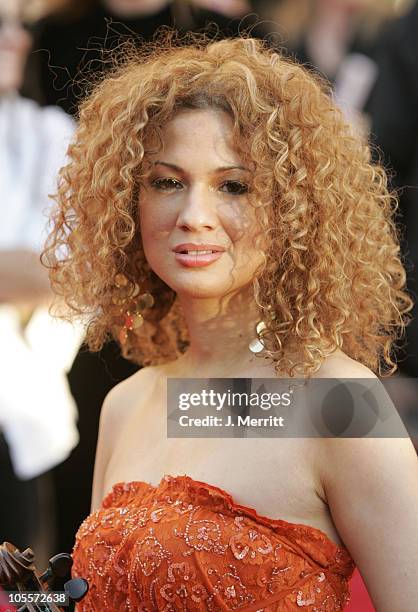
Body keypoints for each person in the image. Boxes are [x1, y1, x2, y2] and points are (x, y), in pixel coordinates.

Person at [43, 35, 418, 610]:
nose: (195, 217)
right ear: (127, 202)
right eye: (166, 182)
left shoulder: (339, 403)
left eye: (234, 186)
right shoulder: (128, 404)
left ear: (294, 207)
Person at [0, 0, 82, 555]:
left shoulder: (52, 133)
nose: (16, 40)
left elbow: (75, 269)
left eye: (19, 24)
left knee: (26, 589)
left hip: (21, 413)